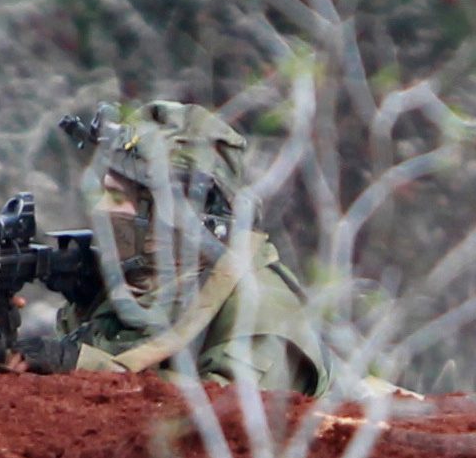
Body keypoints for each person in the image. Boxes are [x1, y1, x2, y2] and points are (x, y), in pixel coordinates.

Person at [57, 100, 320, 391]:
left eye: (117, 197)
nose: (101, 209)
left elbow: (222, 420)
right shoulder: (137, 284)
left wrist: (80, 365)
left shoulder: (262, 312)